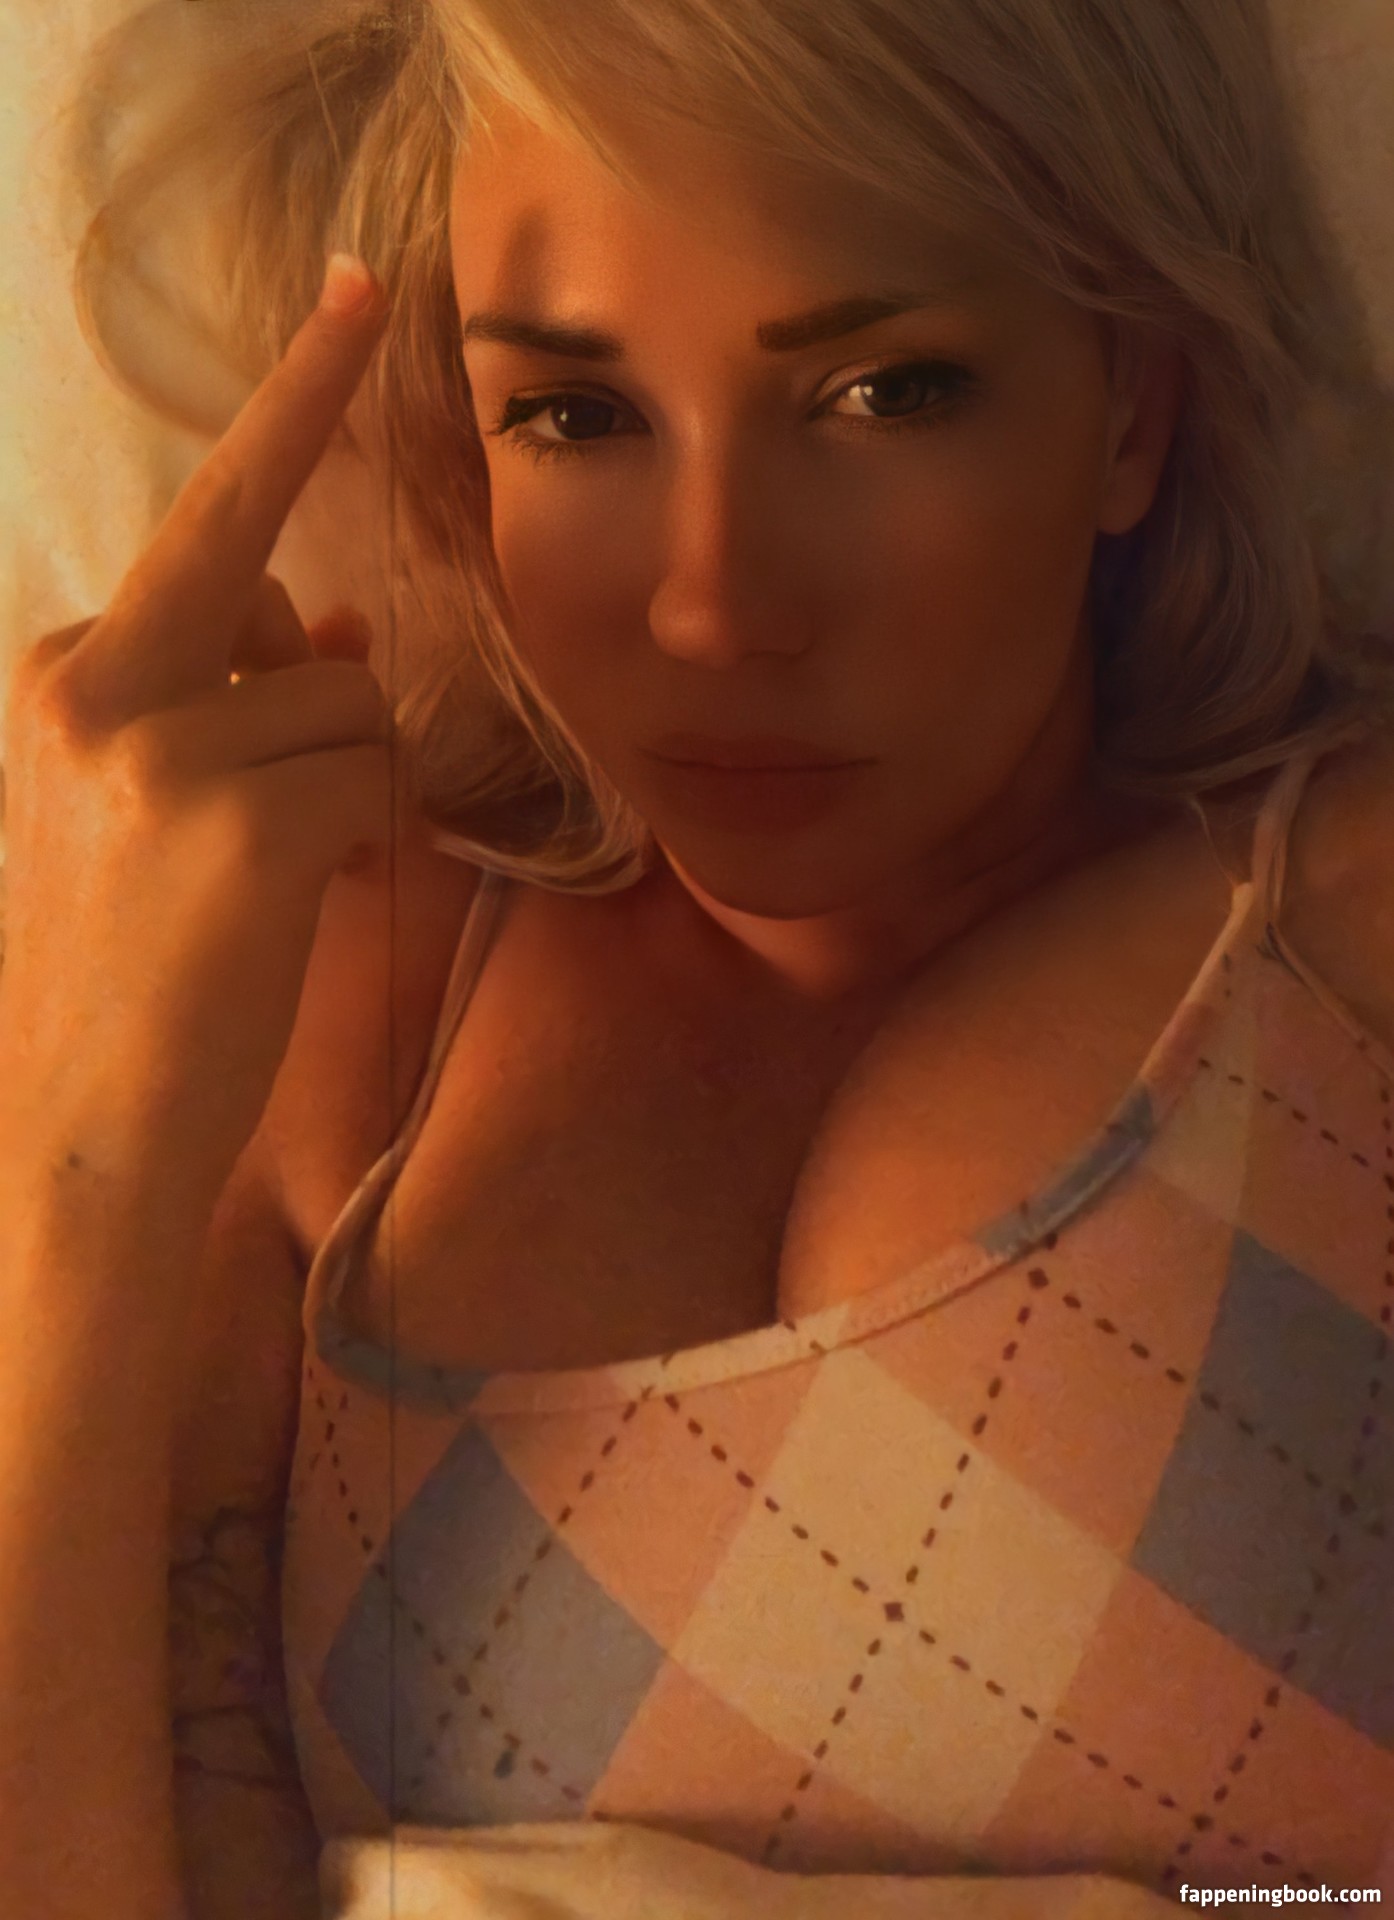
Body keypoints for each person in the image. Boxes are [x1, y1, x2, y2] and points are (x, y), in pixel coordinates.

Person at [2, 0, 1392, 1914]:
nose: (714, 605)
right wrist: (77, 1135)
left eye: (885, 392)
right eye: (575, 416)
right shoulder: (324, 1007)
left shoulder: (1342, 927)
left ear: (1130, 413)